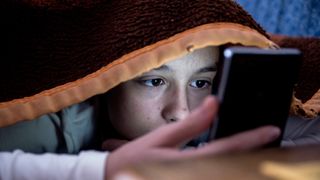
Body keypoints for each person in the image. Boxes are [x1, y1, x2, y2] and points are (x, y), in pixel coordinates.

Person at [0, 0, 319, 179]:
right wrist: (105, 169)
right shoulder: (46, 123)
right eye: (154, 81)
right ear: (108, 81)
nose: (181, 112)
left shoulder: (213, 109)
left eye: (200, 82)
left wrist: (193, 155)